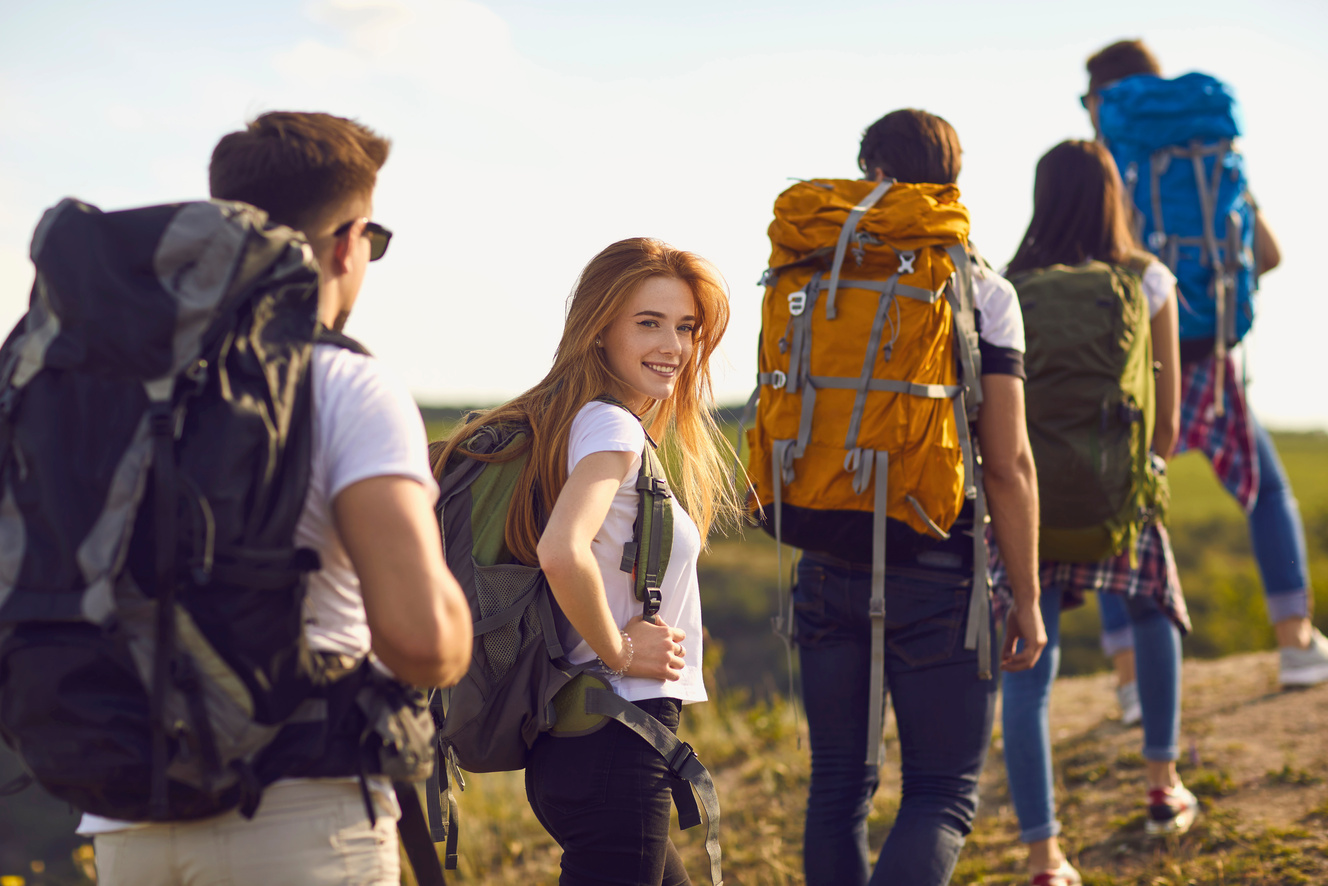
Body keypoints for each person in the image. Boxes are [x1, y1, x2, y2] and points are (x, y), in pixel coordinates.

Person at [79, 111, 473, 885]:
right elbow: (423, 642)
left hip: (124, 810)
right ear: (347, 241)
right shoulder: (346, 383)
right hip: (299, 809)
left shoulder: (110, 389)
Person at [789, 109, 1046, 886]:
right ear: (954, 182)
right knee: (939, 793)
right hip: (939, 566)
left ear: (869, 173)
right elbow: (1009, 465)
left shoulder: (812, 274)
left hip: (826, 556)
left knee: (837, 788)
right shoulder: (984, 290)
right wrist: (1026, 597)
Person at [437, 237, 742, 885]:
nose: (674, 346)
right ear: (599, 330)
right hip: (614, 740)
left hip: (585, 739)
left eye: (685, 327)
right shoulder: (612, 427)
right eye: (648, 323)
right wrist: (621, 651)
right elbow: (561, 550)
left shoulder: (572, 419)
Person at [1082, 39, 1326, 706]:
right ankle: (1296, 640)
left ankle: (1131, 684)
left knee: (1113, 508)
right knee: (1267, 493)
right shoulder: (1210, 146)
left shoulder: (1110, 157)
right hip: (1209, 358)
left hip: (1133, 363)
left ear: (1105, 97)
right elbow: (1267, 253)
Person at [997, 139, 1196, 886]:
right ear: (1114, 195)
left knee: (1028, 670)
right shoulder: (1147, 278)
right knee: (1153, 615)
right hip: (1121, 496)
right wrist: (1128, 481)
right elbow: (1168, 424)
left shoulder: (1008, 284)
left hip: (1031, 501)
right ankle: (1162, 785)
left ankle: (1045, 855)